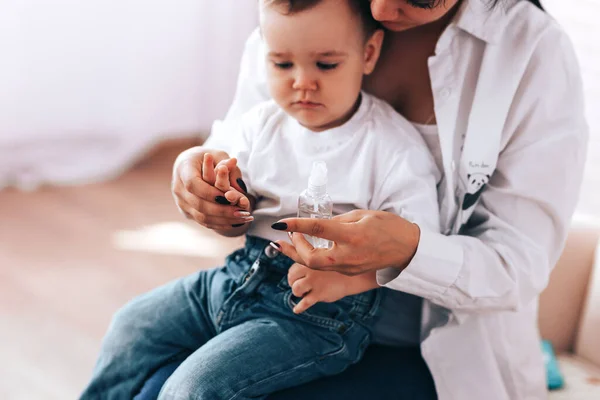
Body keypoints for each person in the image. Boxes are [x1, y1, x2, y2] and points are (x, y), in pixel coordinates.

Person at [168, 0, 590, 399]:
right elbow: (243, 133)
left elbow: (516, 265)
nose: (382, 10)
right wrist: (199, 174)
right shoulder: (299, 12)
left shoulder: (532, 55)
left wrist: (407, 251)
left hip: (432, 354)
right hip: (273, 297)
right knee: (150, 374)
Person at [80, 0, 442, 399]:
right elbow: (234, 200)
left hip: (315, 317)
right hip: (238, 276)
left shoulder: (391, 148)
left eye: (326, 65)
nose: (303, 82)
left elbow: (418, 246)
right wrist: (227, 202)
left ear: (368, 53)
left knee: (192, 388)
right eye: (283, 65)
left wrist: (349, 278)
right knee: (132, 325)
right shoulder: (260, 125)